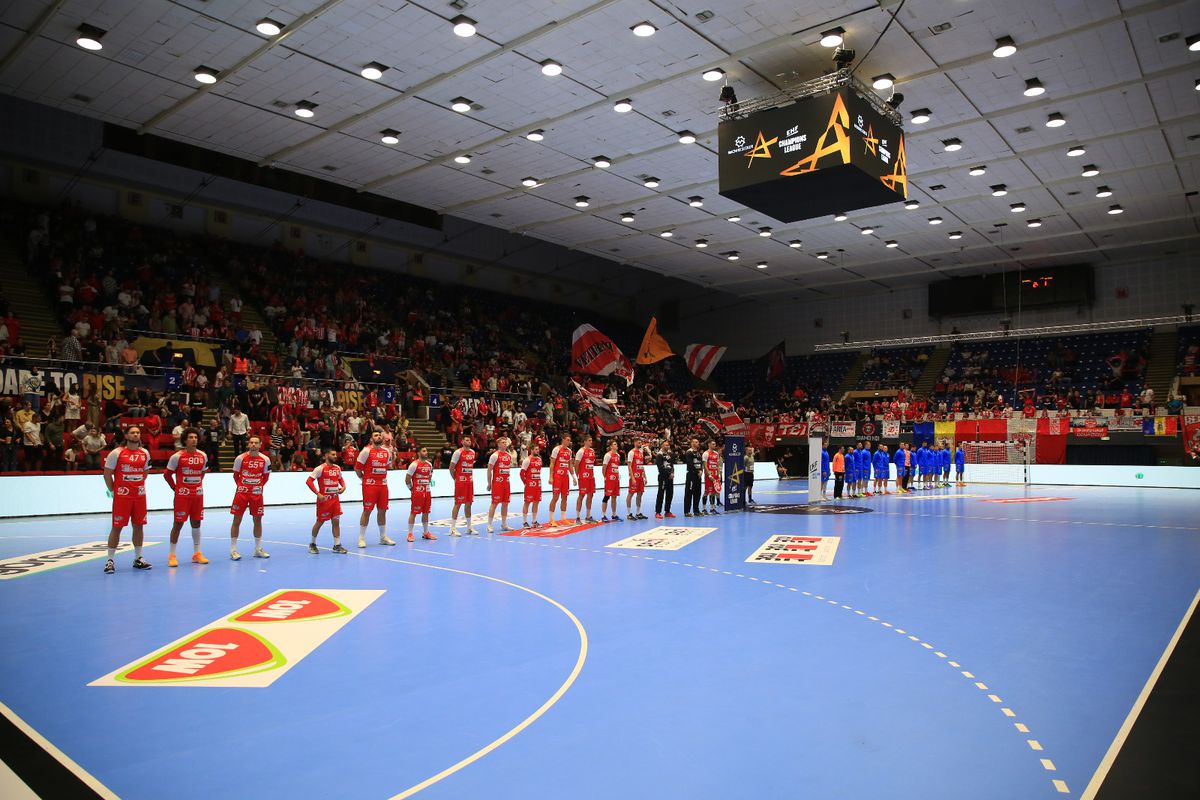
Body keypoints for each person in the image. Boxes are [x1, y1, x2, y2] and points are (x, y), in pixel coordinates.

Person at [102, 425, 153, 573]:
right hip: (122, 497)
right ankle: (110, 560)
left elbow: (145, 473)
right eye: (132, 432)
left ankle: (138, 558)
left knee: (139, 526)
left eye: (137, 432)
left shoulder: (145, 453)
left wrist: (136, 485)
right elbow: (107, 474)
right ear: (126, 435)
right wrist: (114, 490)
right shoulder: (116, 453)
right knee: (117, 527)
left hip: (139, 496)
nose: (136, 435)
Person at [163, 428, 209, 567]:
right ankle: (172, 555)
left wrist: (195, 484)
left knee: (196, 523)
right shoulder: (177, 456)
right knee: (178, 524)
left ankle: (197, 553)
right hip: (182, 496)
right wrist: (175, 488)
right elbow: (167, 474)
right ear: (184, 440)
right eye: (190, 437)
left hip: (197, 495)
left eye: (195, 437)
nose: (194, 439)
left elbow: (202, 473)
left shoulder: (203, 456)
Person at [230, 435, 271, 560]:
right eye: (251, 442)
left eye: (256, 443)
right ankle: (233, 550)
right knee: (237, 520)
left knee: (257, 520)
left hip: (257, 494)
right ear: (248, 444)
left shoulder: (265, 460)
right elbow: (236, 476)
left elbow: (266, 477)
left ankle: (258, 549)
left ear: (260, 445)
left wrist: (256, 487)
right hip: (241, 493)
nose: (253, 444)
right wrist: (244, 486)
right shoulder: (240, 458)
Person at [355, 429, 396, 547]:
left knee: (382, 511)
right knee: (367, 510)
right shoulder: (366, 451)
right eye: (375, 435)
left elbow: (387, 466)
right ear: (371, 439)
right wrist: (364, 479)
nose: (378, 437)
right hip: (370, 485)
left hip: (383, 485)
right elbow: (358, 468)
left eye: (379, 435)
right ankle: (361, 538)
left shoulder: (387, 451)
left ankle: (383, 537)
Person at [307, 448, 348, 554]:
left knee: (336, 522)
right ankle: (312, 544)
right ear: (326, 456)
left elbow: (340, 479)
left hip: (335, 500)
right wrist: (318, 493)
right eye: (333, 454)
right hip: (324, 501)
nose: (335, 456)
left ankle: (337, 545)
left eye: (336, 454)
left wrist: (343, 487)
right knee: (320, 522)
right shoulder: (320, 468)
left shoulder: (337, 468)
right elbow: (309, 481)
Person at [405, 446, 437, 542]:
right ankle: (410, 534)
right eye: (423, 451)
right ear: (418, 453)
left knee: (426, 512)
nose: (426, 452)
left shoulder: (429, 465)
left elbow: (430, 478)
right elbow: (407, 479)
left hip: (427, 492)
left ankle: (426, 532)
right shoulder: (414, 465)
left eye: (426, 450)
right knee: (414, 513)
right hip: (417, 493)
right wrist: (412, 489)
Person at [448, 434, 478, 536]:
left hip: (469, 481)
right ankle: (452, 528)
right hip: (460, 481)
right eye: (466, 440)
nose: (468, 441)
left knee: (469, 504)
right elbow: (451, 468)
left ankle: (469, 527)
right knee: (458, 503)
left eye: (469, 440)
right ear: (462, 442)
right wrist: (456, 479)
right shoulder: (458, 452)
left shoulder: (473, 452)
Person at [486, 436, 515, 533]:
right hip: (497, 483)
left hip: (506, 483)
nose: (505, 444)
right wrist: (489, 483)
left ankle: (504, 524)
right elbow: (489, 470)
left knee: (505, 503)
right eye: (502, 442)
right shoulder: (495, 455)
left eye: (505, 442)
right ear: (498, 444)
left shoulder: (508, 455)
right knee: (494, 503)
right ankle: (489, 525)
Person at [548, 433, 574, 525]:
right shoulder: (556, 449)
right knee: (555, 497)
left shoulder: (569, 451)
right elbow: (552, 464)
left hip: (565, 477)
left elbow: (570, 465)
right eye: (567, 439)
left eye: (569, 440)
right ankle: (551, 519)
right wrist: (551, 477)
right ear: (563, 439)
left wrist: (573, 477)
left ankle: (563, 518)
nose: (569, 441)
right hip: (557, 476)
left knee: (565, 498)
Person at [573, 434, 598, 524]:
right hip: (583, 477)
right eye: (589, 440)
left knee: (591, 495)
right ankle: (578, 517)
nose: (591, 442)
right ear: (585, 441)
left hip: (591, 477)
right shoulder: (581, 451)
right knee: (582, 495)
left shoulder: (592, 451)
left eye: (591, 440)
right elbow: (576, 464)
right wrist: (577, 474)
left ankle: (588, 516)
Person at [520, 441, 543, 528]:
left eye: (538, 449)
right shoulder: (527, 460)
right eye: (536, 449)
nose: (538, 451)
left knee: (536, 502)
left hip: (538, 484)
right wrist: (526, 483)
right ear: (532, 450)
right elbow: (522, 473)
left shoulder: (539, 459)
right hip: (530, 485)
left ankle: (534, 521)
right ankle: (525, 522)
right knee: (527, 502)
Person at [626, 437, 648, 520]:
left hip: (640, 477)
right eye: (639, 442)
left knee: (640, 494)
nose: (640, 444)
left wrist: (645, 477)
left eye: (641, 442)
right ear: (635, 443)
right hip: (634, 477)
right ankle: (629, 513)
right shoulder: (631, 453)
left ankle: (638, 513)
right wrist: (632, 478)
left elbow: (641, 466)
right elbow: (629, 466)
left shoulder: (641, 453)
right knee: (631, 494)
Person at [601, 440, 621, 522]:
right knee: (607, 496)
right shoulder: (608, 455)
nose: (616, 445)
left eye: (616, 444)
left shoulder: (618, 455)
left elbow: (616, 467)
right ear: (611, 446)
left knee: (614, 497)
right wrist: (605, 477)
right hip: (609, 479)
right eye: (615, 444)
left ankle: (614, 514)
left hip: (616, 479)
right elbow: (604, 467)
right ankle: (603, 515)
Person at [654, 440, 675, 519]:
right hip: (663, 477)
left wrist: (672, 473)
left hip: (670, 477)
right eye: (665, 445)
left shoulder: (670, 454)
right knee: (661, 494)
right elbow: (660, 467)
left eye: (668, 445)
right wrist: (669, 474)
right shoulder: (659, 455)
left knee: (670, 494)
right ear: (662, 446)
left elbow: (672, 465)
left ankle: (667, 511)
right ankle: (658, 512)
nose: (667, 446)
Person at [683, 437, 703, 516]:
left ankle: (696, 510)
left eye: (698, 442)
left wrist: (701, 470)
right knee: (689, 493)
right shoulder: (689, 452)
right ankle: (687, 511)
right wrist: (697, 471)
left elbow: (700, 462)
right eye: (696, 442)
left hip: (698, 475)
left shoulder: (698, 452)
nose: (697, 443)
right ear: (692, 443)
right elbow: (690, 464)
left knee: (697, 493)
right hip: (691, 475)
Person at [702, 439, 721, 514]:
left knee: (713, 492)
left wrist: (719, 474)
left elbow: (717, 465)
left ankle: (712, 508)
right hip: (709, 476)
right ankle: (704, 508)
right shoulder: (706, 453)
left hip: (715, 475)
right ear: (709, 444)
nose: (714, 445)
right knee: (707, 492)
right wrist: (709, 475)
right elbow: (705, 466)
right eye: (713, 444)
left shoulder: (716, 453)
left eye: (715, 444)